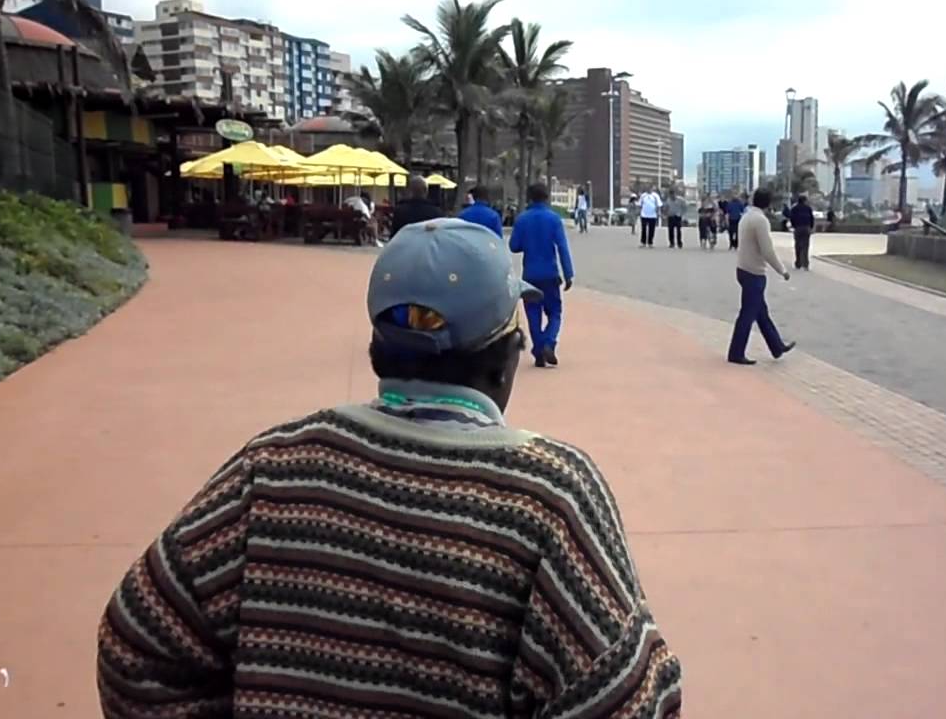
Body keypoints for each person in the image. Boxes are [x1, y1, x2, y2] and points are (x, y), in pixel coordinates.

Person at [96, 218, 682, 719]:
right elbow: (629, 699)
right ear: (505, 358)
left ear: (379, 347)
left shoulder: (270, 468)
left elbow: (138, 638)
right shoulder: (549, 495)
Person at [727, 187, 795, 365]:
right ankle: (736, 352)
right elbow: (767, 250)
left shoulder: (746, 216)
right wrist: (782, 270)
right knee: (748, 314)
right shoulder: (760, 220)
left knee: (761, 313)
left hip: (743, 268)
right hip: (754, 272)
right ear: (769, 203)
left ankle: (776, 346)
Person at [510, 183, 575, 368]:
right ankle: (549, 342)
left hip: (530, 274)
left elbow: (513, 246)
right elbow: (562, 247)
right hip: (550, 274)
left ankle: (539, 349)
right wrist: (568, 273)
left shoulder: (522, 219)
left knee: (533, 314)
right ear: (546, 197)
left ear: (529, 197)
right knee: (555, 312)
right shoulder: (554, 219)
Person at [789, 194, 816, 270]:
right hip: (806, 228)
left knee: (798, 246)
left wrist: (794, 226)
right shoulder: (808, 208)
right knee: (805, 246)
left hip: (798, 228)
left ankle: (798, 263)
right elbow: (811, 219)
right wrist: (811, 227)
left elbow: (792, 218)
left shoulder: (794, 208)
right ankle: (805, 264)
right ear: (804, 201)